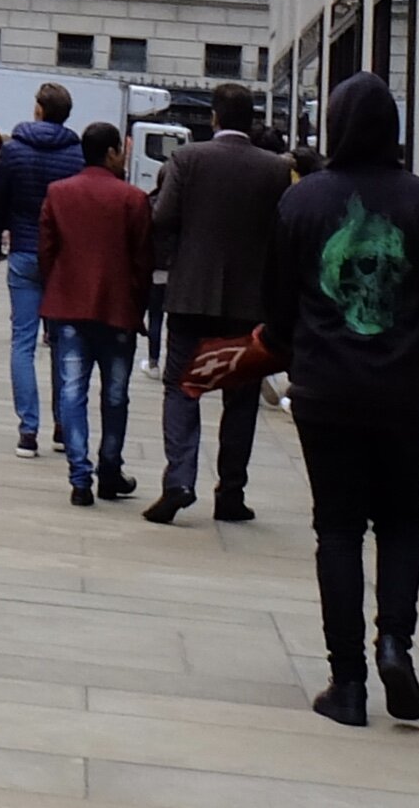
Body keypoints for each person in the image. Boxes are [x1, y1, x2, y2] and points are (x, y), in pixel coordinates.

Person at [184, 74, 419, 726]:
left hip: (327, 388)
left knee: (336, 527)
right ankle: (395, 640)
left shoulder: (303, 200)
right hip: (402, 387)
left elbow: (278, 308)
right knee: (400, 519)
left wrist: (270, 346)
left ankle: (348, 682)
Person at [145, 80, 292, 525]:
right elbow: (282, 234)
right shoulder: (274, 170)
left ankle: (180, 480)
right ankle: (231, 492)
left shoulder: (188, 159)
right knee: (241, 398)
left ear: (213, 117)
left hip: (192, 293)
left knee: (181, 387)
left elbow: (162, 219)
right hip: (249, 303)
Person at [39, 121, 152, 507]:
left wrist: (53, 294)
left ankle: (78, 475)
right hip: (117, 310)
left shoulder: (58, 193)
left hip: (68, 307)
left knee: (72, 391)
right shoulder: (133, 199)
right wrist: (139, 307)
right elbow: (142, 262)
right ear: (110, 153)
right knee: (115, 394)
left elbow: (47, 252)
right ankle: (109, 469)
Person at [0, 81, 86, 459]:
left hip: (24, 250)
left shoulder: (15, 150)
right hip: (61, 257)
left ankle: (28, 428)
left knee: (22, 342)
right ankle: (62, 424)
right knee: (61, 342)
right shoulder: (76, 153)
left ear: (39, 109)